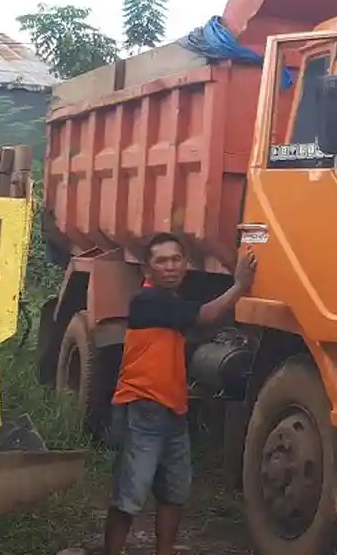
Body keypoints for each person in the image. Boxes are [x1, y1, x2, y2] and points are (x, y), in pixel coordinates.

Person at [102, 232, 257, 555]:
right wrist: (240, 285)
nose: (170, 266)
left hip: (173, 410)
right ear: (147, 269)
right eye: (162, 261)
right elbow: (205, 316)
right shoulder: (147, 300)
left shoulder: (170, 302)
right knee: (130, 494)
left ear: (186, 263)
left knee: (174, 493)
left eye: (176, 259)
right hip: (142, 407)